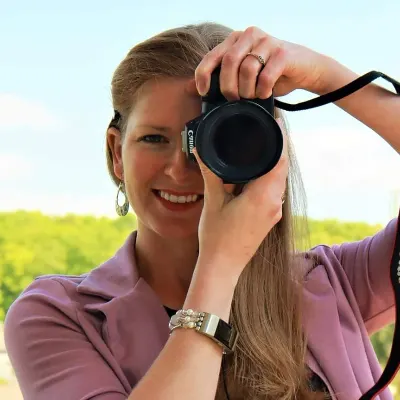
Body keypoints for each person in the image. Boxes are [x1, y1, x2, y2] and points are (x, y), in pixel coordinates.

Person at [4, 22, 399, 400]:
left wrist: (327, 77)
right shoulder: (59, 316)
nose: (179, 167)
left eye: (212, 139)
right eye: (154, 138)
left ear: (260, 150)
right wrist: (220, 263)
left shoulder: (329, 284)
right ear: (116, 153)